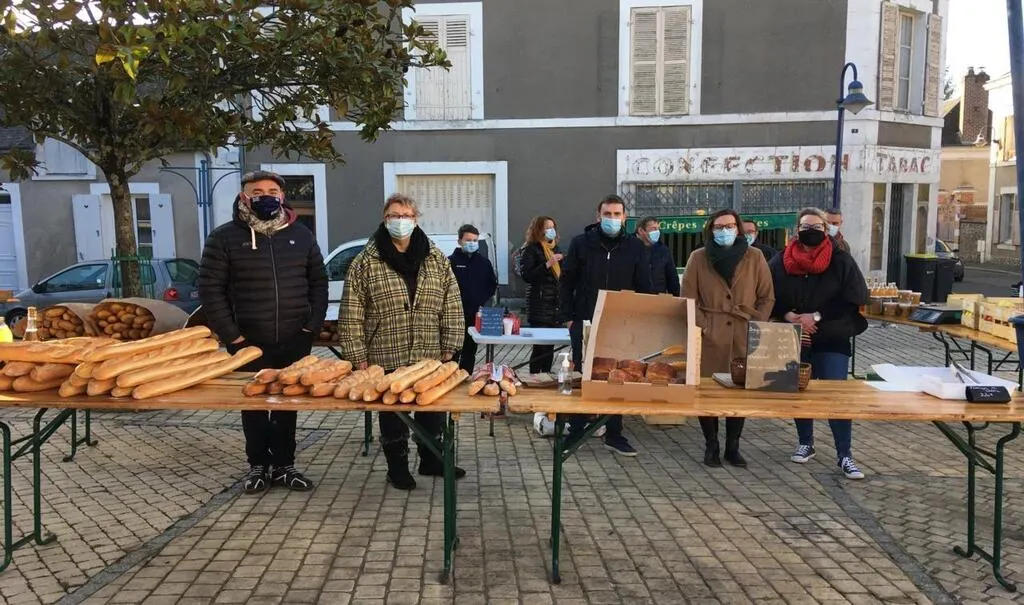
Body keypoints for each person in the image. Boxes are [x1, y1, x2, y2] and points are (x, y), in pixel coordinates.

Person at [199, 170, 328, 494]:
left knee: (287, 405)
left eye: (272, 191)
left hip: (294, 338)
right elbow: (211, 291)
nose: (265, 196)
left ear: (282, 196)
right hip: (247, 342)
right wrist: (233, 336)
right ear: (244, 197)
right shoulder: (224, 238)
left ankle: (285, 466)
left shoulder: (301, 235)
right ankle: (257, 466)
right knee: (254, 405)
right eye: (257, 191)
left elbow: (319, 283)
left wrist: (309, 328)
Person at [338, 193, 466, 490]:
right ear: (385, 220)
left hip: (428, 351)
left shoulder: (435, 258)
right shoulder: (366, 261)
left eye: (406, 216)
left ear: (416, 220)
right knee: (393, 414)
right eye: (394, 215)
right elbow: (352, 311)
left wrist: (451, 342)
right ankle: (397, 467)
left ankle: (431, 459)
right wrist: (357, 355)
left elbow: (451, 303)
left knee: (431, 411)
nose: (401, 221)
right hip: (385, 350)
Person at [769, 208, 869, 480]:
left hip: (832, 335)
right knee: (800, 391)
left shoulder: (841, 260)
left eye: (816, 227)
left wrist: (815, 316)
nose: (810, 231)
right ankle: (806, 442)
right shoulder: (781, 260)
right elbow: (768, 293)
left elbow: (856, 297)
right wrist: (788, 315)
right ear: (797, 229)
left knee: (835, 395)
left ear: (826, 230)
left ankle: (845, 454)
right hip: (795, 337)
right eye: (805, 226)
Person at [560, 194, 652, 456]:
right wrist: (568, 316)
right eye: (607, 214)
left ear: (625, 218)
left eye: (617, 214)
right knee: (582, 375)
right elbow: (566, 281)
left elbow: (644, 286)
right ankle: (576, 429)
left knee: (617, 377)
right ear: (598, 216)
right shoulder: (581, 244)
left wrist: (640, 319)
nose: (612, 218)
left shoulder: (635, 247)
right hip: (585, 319)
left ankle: (614, 433)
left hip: (620, 323)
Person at [682, 210, 774, 468]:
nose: (725, 231)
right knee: (706, 391)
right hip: (711, 334)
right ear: (711, 230)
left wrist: (757, 325)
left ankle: (733, 446)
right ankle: (711, 443)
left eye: (730, 226)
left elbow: (767, 296)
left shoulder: (755, 256)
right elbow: (688, 298)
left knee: (739, 391)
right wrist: (704, 326)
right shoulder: (698, 257)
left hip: (743, 332)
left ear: (738, 228)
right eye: (719, 227)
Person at [450, 224, 497, 373]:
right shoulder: (450, 262)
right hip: (454, 314)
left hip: (475, 314)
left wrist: (481, 299)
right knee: (452, 351)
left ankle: (466, 376)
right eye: (468, 240)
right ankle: (449, 377)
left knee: (470, 350)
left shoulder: (484, 263)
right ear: (460, 241)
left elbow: (492, 285)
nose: (472, 243)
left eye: (475, 240)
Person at [519, 216, 564, 373]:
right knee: (540, 346)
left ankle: (546, 375)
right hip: (539, 304)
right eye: (547, 227)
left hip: (555, 305)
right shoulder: (531, 249)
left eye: (553, 227)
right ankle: (534, 376)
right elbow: (527, 275)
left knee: (549, 346)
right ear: (539, 230)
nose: (551, 231)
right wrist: (547, 264)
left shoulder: (556, 248)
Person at [635, 217, 680, 296]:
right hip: (635, 298)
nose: (657, 232)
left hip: (659, 298)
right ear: (641, 231)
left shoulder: (663, 250)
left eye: (658, 229)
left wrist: (676, 297)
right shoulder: (629, 248)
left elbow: (672, 277)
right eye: (653, 229)